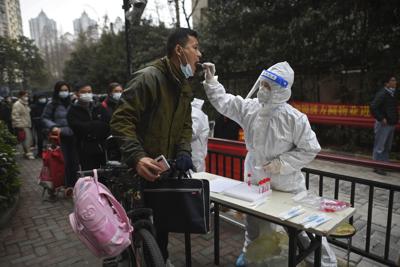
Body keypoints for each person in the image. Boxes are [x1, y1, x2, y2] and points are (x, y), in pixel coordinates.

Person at [202, 61, 337, 267]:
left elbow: (310, 148)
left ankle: (325, 263)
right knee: (254, 222)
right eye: (262, 84)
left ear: (281, 90)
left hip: (286, 184)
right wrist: (212, 82)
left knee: (302, 227)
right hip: (257, 180)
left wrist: (281, 164)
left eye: (268, 86)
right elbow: (226, 102)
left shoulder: (295, 119)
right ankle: (251, 256)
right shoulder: (251, 109)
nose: (263, 89)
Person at [110, 28, 202, 265]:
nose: (199, 54)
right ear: (179, 50)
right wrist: (138, 157)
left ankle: (161, 259)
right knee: (138, 226)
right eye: (195, 47)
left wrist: (183, 152)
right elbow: (121, 120)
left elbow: (185, 125)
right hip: (139, 169)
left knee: (161, 224)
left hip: (164, 170)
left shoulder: (183, 85)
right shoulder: (148, 78)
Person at [42, 81, 79, 190]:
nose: (64, 92)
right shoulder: (52, 104)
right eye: (61, 90)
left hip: (73, 136)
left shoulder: (74, 102)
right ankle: (65, 185)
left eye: (66, 90)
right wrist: (53, 127)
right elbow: (44, 118)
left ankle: (74, 185)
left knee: (75, 162)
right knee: (63, 162)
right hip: (60, 137)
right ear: (57, 91)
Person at [67, 82, 110, 171]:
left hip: (101, 147)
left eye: (89, 91)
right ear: (77, 94)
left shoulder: (99, 107)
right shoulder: (72, 110)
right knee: (88, 174)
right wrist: (95, 124)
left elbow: (107, 124)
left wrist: (91, 126)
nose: (87, 94)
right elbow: (77, 127)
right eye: (83, 92)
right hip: (83, 148)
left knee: (103, 174)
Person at [370, 75, 398, 175]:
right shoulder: (382, 94)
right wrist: (381, 118)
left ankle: (385, 165)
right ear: (387, 83)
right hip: (383, 124)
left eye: (395, 80)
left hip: (391, 123)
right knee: (380, 146)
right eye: (393, 80)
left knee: (387, 146)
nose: (395, 82)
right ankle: (377, 166)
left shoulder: (392, 94)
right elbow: (373, 107)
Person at [12, 90, 35, 160]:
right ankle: (28, 154)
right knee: (27, 140)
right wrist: (19, 125)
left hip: (27, 124)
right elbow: (15, 116)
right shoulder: (17, 104)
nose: (26, 97)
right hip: (22, 125)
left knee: (27, 139)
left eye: (27, 96)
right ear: (20, 96)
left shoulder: (25, 103)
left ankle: (26, 153)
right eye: (25, 96)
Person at [191, 98, 210, 172]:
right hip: (195, 157)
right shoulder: (198, 113)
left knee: (194, 179)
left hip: (194, 157)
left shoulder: (196, 113)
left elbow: (192, 133)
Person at [30, 93, 48, 158]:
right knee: (40, 139)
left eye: (44, 97)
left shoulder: (48, 105)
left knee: (49, 139)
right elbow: (32, 117)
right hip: (39, 126)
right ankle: (40, 152)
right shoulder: (34, 106)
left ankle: (49, 152)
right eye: (41, 98)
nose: (43, 99)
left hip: (47, 125)